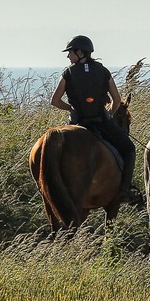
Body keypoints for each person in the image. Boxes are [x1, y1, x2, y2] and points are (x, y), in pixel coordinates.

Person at [50, 35, 138, 204]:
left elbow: (55, 101)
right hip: (101, 123)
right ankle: (124, 191)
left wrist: (71, 108)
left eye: (70, 52)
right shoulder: (103, 71)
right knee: (129, 149)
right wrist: (110, 116)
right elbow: (117, 100)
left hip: (77, 123)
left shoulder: (68, 73)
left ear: (80, 52)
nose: (68, 56)